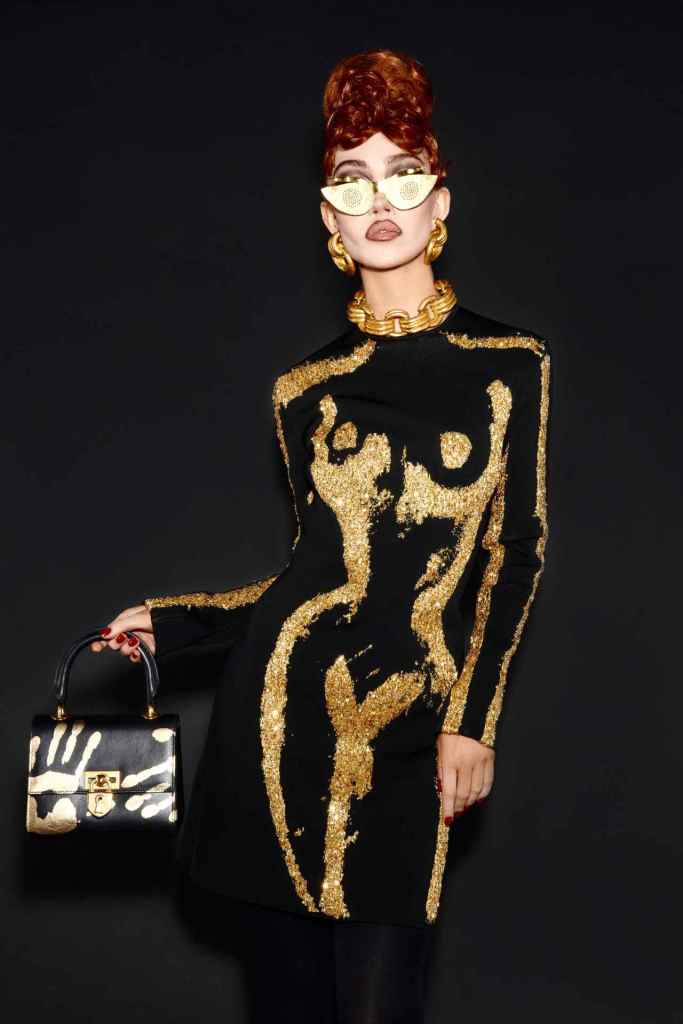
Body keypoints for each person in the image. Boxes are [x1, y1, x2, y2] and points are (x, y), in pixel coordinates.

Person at [91, 48, 552, 1024]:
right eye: (352, 178)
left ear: (439, 202)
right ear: (327, 217)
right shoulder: (303, 390)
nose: (378, 198)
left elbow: (513, 554)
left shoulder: (508, 363)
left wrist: (472, 721)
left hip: (410, 725)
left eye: (403, 172)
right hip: (273, 729)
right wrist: (174, 623)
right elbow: (316, 572)